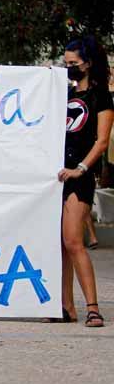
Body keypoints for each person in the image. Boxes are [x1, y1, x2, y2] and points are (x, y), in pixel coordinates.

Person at [57, 35, 111, 327]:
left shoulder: (101, 96)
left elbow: (101, 142)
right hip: (58, 175)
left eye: (74, 64)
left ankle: (93, 307)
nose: (69, 68)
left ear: (88, 63)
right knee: (59, 243)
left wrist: (80, 168)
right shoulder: (62, 95)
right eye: (66, 64)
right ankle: (66, 306)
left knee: (73, 240)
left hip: (79, 176)